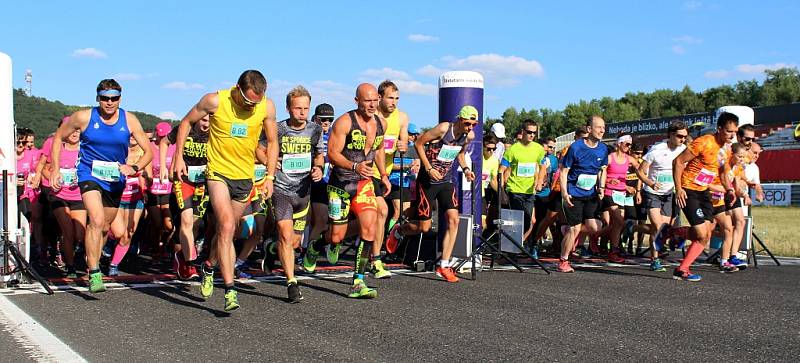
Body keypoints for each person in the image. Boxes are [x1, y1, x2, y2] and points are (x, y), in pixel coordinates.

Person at [172, 70, 278, 311]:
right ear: (237, 89)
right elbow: (186, 123)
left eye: (257, 101)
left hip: (244, 177)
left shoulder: (267, 107)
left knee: (227, 232)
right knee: (227, 225)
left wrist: (270, 176)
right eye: (249, 101)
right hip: (218, 174)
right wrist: (178, 157)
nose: (253, 106)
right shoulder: (215, 100)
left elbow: (272, 142)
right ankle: (230, 290)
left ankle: (209, 265)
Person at [50, 79, 153, 293]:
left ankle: (94, 259)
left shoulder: (130, 120)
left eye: (114, 98)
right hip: (89, 174)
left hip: (115, 179)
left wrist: (133, 167)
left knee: (105, 226)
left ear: (120, 99)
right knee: (95, 220)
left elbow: (149, 151)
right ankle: (94, 272)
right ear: (98, 98)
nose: (109, 103)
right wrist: (55, 168)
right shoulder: (83, 117)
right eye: (105, 98)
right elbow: (58, 136)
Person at [304, 83, 389, 298]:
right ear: (357, 101)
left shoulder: (381, 123)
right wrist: (354, 166)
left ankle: (358, 282)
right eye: (367, 100)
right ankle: (315, 246)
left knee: (369, 228)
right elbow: (332, 154)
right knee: (336, 237)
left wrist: (384, 175)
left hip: (364, 184)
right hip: (341, 185)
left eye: (374, 100)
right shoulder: (344, 122)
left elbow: (378, 151)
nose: (372, 104)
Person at [387, 105, 477, 283]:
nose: (470, 128)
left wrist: (466, 169)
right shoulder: (444, 128)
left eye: (474, 124)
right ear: (459, 119)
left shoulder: (469, 136)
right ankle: (400, 230)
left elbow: (460, 154)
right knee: (424, 227)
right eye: (467, 123)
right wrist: (428, 168)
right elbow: (419, 142)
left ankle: (443, 265)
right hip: (427, 181)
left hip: (446, 181)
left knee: (454, 219)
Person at [258, 86, 324, 303]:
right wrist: (268, 160)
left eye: (306, 108)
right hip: (281, 190)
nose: (302, 112)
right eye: (298, 108)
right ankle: (291, 283)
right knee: (285, 236)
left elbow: (319, 154)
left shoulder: (315, 129)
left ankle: (269, 247)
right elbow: (257, 148)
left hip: (303, 192)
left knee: (294, 242)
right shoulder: (277, 129)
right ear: (288, 108)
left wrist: (318, 168)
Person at [672, 111, 739, 282]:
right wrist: (679, 189)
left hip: (704, 192)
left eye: (734, 132)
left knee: (706, 234)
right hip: (688, 189)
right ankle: (682, 269)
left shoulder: (728, 150)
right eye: (729, 131)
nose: (732, 135)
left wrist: (729, 189)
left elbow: (723, 173)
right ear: (719, 129)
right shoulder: (704, 142)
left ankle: (673, 232)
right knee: (702, 234)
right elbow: (678, 162)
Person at [368, 80, 409, 279]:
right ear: (380, 97)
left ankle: (374, 258)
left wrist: (403, 144)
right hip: (368, 172)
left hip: (386, 174)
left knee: (383, 213)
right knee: (381, 211)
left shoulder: (401, 117)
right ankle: (374, 257)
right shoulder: (372, 117)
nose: (394, 102)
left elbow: (403, 140)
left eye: (397, 98)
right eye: (390, 98)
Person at [558, 116, 609, 273]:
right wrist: (564, 193)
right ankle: (563, 261)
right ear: (589, 129)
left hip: (591, 193)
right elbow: (564, 171)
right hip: (574, 193)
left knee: (596, 227)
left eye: (603, 128)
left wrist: (601, 187)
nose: (602, 130)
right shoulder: (576, 147)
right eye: (598, 127)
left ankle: (566, 228)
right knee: (575, 229)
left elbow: (603, 169)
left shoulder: (603, 148)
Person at [636, 121, 688, 272]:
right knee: (658, 227)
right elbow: (640, 171)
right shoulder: (656, 150)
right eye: (679, 136)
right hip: (652, 193)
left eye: (685, 136)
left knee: (661, 229)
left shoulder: (684, 150)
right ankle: (655, 260)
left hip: (668, 194)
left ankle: (633, 228)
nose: (682, 139)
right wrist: (650, 183)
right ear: (671, 135)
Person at [164, 115, 210, 280]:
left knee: (195, 225)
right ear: (197, 119)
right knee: (186, 221)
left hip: (202, 183)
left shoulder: (216, 133)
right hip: (183, 180)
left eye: (210, 121)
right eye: (204, 120)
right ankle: (190, 263)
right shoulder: (185, 129)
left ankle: (181, 257)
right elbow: (164, 142)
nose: (207, 124)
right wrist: (164, 166)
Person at [46, 128, 85, 278]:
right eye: (72, 131)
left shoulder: (84, 150)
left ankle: (67, 251)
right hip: (59, 195)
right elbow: (45, 169)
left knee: (79, 234)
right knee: (67, 232)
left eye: (78, 131)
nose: (74, 134)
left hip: (78, 195)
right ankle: (70, 266)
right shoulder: (58, 149)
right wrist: (53, 177)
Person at [107, 135, 148, 276]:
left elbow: (149, 176)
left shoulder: (145, 154)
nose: (132, 137)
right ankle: (108, 243)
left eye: (135, 134)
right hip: (117, 197)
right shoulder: (118, 151)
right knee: (118, 232)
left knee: (128, 235)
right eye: (129, 134)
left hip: (135, 199)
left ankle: (114, 264)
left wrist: (146, 176)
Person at [500, 120, 545, 246]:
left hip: (529, 191)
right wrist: (502, 190)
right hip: (514, 190)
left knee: (527, 223)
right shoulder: (513, 150)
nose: (531, 135)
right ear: (523, 132)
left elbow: (543, 167)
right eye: (529, 132)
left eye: (534, 133)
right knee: (517, 222)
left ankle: (513, 246)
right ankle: (509, 249)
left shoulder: (538, 149)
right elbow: (501, 170)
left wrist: (540, 180)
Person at [599, 134, 640, 263]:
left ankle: (613, 250)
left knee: (617, 224)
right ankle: (595, 235)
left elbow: (641, 171)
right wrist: (606, 183)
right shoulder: (610, 158)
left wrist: (648, 183)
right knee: (620, 221)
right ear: (619, 144)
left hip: (621, 194)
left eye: (630, 145)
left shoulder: (630, 159)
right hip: (609, 193)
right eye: (627, 144)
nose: (629, 147)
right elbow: (601, 172)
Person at [306, 103, 335, 259]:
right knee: (306, 220)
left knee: (322, 219)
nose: (326, 122)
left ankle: (308, 253)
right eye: (322, 119)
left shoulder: (334, 134)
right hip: (305, 181)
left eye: (330, 119)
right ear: (315, 118)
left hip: (324, 182)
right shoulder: (308, 130)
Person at [146, 122, 175, 257]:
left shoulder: (173, 147)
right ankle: (154, 248)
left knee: (169, 226)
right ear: (156, 134)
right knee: (157, 223)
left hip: (168, 190)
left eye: (166, 136)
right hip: (152, 190)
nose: (163, 138)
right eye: (161, 135)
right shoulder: (149, 147)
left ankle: (163, 244)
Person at [387, 123, 420, 234]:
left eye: (415, 135)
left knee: (406, 214)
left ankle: (399, 238)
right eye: (411, 134)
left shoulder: (413, 148)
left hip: (407, 183)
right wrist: (406, 166)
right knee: (397, 213)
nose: (413, 137)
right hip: (395, 181)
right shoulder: (394, 147)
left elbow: (417, 164)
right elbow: (389, 166)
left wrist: (416, 166)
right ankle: (388, 235)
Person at [481, 134, 500, 230]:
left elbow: (493, 180)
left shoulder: (494, 160)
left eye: (494, 149)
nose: (491, 151)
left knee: (483, 223)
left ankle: (478, 244)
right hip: (470, 193)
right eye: (489, 149)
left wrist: (501, 193)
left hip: (482, 194)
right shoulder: (477, 157)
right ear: (483, 147)